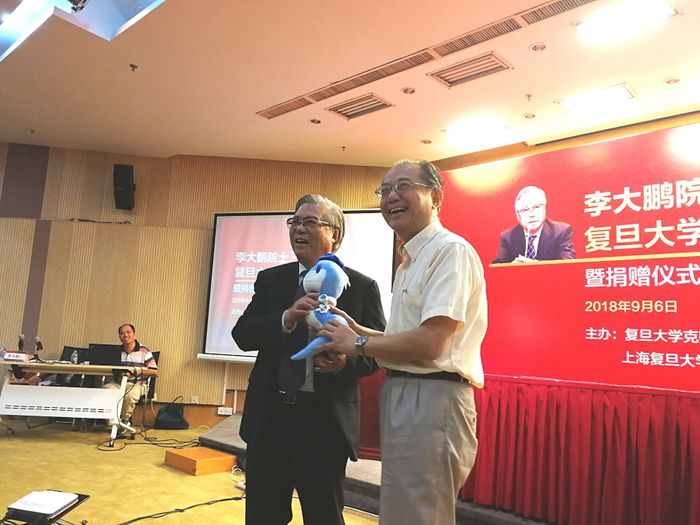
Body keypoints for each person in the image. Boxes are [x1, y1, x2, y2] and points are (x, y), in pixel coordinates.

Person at [317, 160, 487, 525]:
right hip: (406, 393)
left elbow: (431, 343)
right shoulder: (410, 259)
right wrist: (356, 330)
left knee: (420, 515)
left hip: (433, 395)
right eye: (385, 189)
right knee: (401, 512)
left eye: (403, 186)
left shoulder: (449, 251)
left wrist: (358, 342)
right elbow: (407, 338)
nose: (391, 196)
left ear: (436, 197)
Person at [231, 194, 385, 525]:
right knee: (263, 516)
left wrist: (346, 362)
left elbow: (376, 352)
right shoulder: (271, 280)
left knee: (323, 516)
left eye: (310, 222)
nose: (299, 229)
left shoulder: (360, 286)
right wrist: (285, 318)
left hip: (323, 424)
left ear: (335, 235)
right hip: (270, 419)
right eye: (295, 222)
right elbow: (242, 335)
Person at [492, 185, 575, 263]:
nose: (531, 214)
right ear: (518, 215)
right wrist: (512, 267)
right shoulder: (509, 236)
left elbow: (568, 264)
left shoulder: (561, 232)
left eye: (536, 207)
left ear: (544, 209)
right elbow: (497, 267)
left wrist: (535, 267)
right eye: (525, 210)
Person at [103, 323, 158, 425]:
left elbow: (154, 370)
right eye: (122, 333)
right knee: (107, 390)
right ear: (119, 336)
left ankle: (124, 421)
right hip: (119, 383)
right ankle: (112, 421)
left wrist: (137, 371)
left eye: (128, 332)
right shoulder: (116, 352)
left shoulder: (144, 351)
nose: (125, 335)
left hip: (138, 384)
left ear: (134, 334)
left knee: (130, 396)